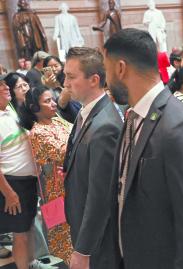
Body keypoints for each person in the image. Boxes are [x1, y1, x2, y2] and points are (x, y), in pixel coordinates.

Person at [103, 28, 183, 268]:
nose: (106, 79)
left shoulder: (179, 125)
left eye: (106, 69)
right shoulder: (134, 116)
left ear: (120, 68)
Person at [62, 47, 122, 269]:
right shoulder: (85, 111)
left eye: (71, 76)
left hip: (99, 238)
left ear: (94, 79)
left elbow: (101, 196)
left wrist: (83, 249)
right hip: (81, 220)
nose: (65, 82)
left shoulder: (105, 125)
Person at [18, 85, 74, 264]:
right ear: (35, 108)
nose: (53, 103)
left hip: (72, 184)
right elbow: (65, 150)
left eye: (53, 99)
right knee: (66, 239)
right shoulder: (37, 133)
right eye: (47, 101)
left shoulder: (58, 121)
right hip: (57, 192)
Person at [0, 74, 46, 269]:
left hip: (28, 181)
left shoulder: (10, 111)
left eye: (4, 84)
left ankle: (31, 262)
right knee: (20, 234)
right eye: (1, 86)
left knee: (28, 228)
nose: (6, 88)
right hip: (13, 183)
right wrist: (8, 193)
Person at [42, 55, 81, 123]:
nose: (54, 69)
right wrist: (48, 87)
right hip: (60, 117)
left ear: (61, 65)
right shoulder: (44, 83)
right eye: (50, 67)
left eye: (56, 66)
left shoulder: (67, 77)